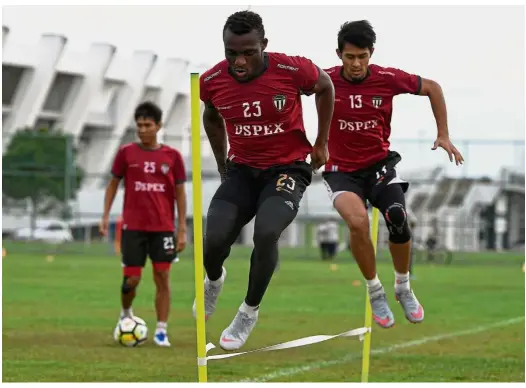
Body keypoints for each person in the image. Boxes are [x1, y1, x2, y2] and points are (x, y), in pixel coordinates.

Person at [193, 10, 335, 351]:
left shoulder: (291, 69)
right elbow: (211, 116)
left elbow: (325, 86)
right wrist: (221, 164)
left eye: (248, 52)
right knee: (212, 242)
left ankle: (248, 311)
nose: (239, 61)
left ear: (264, 46)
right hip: (242, 170)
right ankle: (214, 280)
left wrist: (321, 142)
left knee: (267, 232)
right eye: (232, 53)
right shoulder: (212, 80)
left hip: (286, 170)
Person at [322, 20, 464, 329]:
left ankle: (403, 287)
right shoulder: (325, 80)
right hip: (341, 171)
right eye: (350, 57)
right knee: (357, 221)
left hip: (379, 166)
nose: (356, 64)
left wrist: (444, 134)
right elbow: (287, 91)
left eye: (362, 56)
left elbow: (433, 88)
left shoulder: (387, 78)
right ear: (339, 55)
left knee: (398, 216)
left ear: (371, 53)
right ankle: (375, 291)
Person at [100, 101, 187, 347]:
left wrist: (181, 229)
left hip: (162, 229)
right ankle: (126, 315)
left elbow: (180, 194)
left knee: (162, 277)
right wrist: (105, 216)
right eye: (139, 125)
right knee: (131, 280)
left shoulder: (173, 157)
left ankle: (161, 330)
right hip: (134, 228)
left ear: (159, 126)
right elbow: (113, 184)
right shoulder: (126, 153)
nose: (143, 129)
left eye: (148, 125)